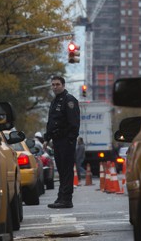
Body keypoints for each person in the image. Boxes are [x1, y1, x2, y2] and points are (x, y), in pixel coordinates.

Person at [44, 75, 80, 208]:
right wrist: (47, 138)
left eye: (57, 84)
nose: (55, 87)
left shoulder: (69, 100)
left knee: (66, 170)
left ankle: (66, 199)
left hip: (66, 141)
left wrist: (71, 139)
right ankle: (61, 197)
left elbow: (74, 122)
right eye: (53, 85)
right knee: (61, 170)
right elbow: (51, 122)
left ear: (63, 85)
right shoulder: (54, 101)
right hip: (57, 141)